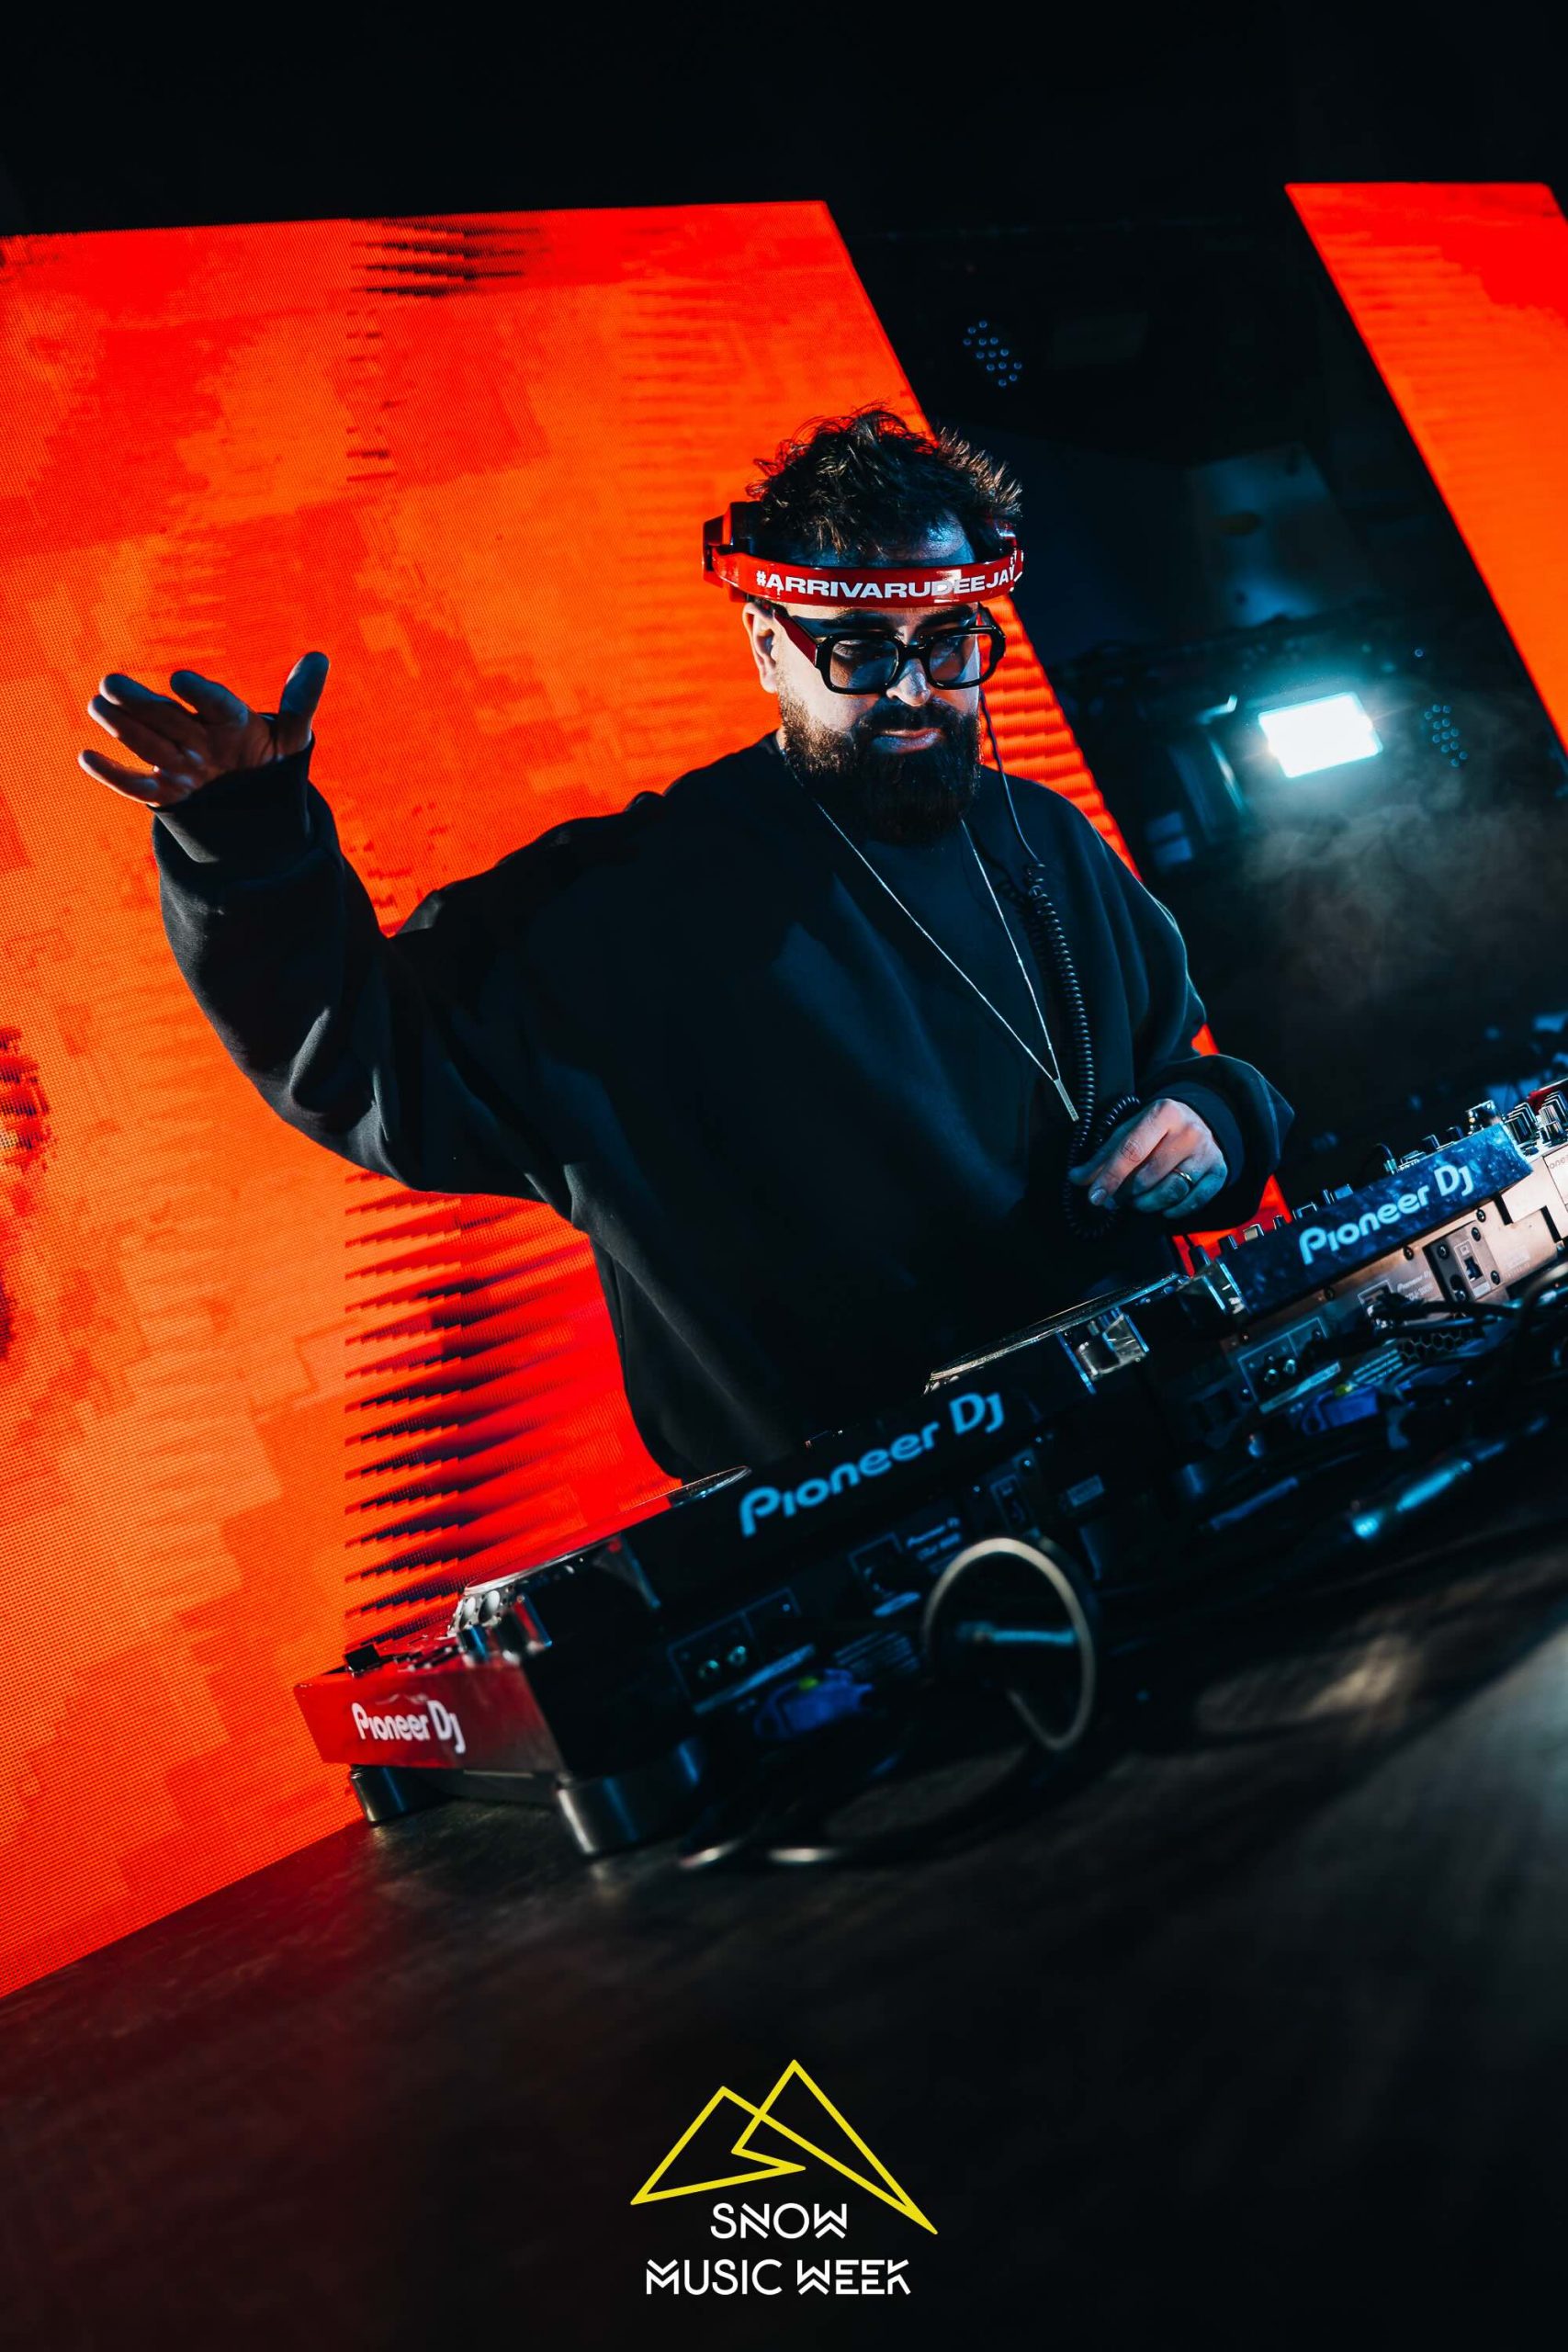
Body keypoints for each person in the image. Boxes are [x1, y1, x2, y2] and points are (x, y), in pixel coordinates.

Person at [81, 407, 1291, 1482]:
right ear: (766, 646)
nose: (916, 689)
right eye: (860, 652)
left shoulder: (1043, 834)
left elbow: (1180, 1071)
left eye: (949, 644)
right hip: (869, 1523)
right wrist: (247, 840)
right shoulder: (621, 904)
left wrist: (1218, 1123)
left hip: (1159, 1431)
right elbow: (365, 1063)